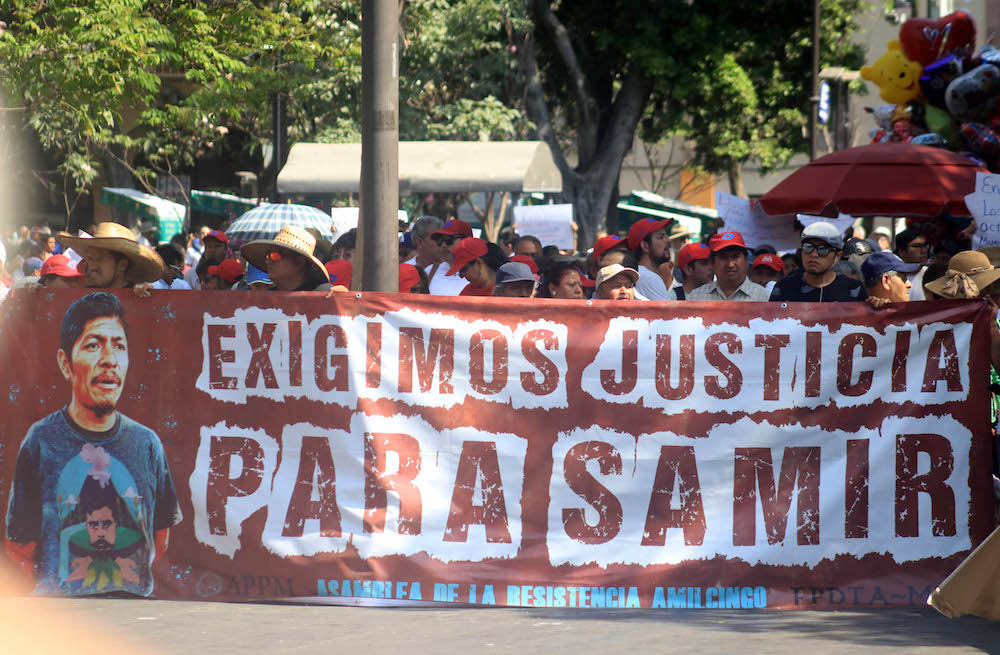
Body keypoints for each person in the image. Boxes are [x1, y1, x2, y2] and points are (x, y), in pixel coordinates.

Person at [5, 292, 182, 596]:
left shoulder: (146, 443)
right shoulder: (41, 440)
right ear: (65, 363)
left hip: (131, 615)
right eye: (93, 345)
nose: (109, 360)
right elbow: (19, 542)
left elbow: (160, 537)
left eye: (119, 346)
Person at [769, 222, 867, 303]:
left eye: (823, 249)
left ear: (837, 256)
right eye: (808, 247)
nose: (814, 254)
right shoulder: (784, 287)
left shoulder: (854, 289)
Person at [57, 222, 165, 289]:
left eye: (101, 259)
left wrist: (148, 297)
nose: (92, 266)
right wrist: (41, 294)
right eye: (90, 259)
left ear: (122, 265)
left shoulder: (139, 297)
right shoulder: (81, 296)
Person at [240, 225, 333, 292]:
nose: (267, 261)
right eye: (267, 256)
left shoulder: (325, 294)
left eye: (275, 255)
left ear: (299, 260)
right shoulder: (267, 298)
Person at [688, 231, 770, 301]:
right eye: (723, 258)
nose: (730, 264)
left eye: (735, 257)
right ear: (712, 263)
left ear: (746, 261)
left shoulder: (764, 298)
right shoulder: (696, 297)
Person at [628, 217, 675, 300]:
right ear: (645, 246)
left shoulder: (639, 274)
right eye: (661, 237)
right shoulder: (648, 277)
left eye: (666, 236)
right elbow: (670, 312)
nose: (668, 240)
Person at [426, 219, 472, 296]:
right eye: (440, 240)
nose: (443, 245)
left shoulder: (482, 275)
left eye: (449, 240)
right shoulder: (429, 271)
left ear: (467, 241)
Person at [894, 228, 930, 301]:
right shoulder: (892, 279)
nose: (924, 250)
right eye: (917, 246)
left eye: (925, 245)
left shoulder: (931, 275)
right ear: (901, 252)